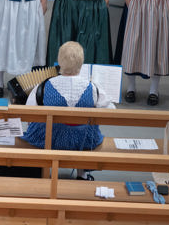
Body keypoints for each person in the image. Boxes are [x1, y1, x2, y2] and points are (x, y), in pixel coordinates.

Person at [22, 41, 113, 177]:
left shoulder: (44, 86)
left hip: (48, 139)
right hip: (84, 140)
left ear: (59, 61)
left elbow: (28, 113)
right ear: (81, 63)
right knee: (88, 128)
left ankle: (45, 172)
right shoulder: (93, 87)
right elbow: (111, 110)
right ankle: (82, 174)